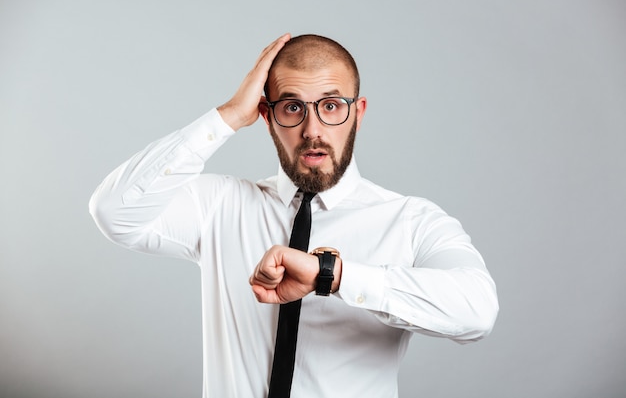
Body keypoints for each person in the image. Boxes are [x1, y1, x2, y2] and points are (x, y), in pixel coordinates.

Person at [89, 33, 499, 398]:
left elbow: (477, 311)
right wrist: (229, 115)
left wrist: (333, 276)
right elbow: (114, 211)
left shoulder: (410, 220)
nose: (312, 129)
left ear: (358, 112)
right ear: (267, 117)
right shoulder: (221, 205)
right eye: (291, 108)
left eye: (332, 106)